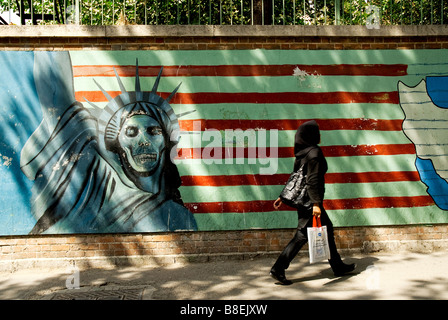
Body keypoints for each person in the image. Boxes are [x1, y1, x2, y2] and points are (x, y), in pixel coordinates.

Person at [270, 120, 355, 285]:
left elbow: (296, 178)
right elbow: (312, 180)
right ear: (311, 135)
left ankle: (337, 266)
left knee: (327, 229)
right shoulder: (314, 153)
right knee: (301, 235)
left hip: (305, 201)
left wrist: (283, 196)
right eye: (317, 132)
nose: (320, 135)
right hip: (310, 202)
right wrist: (316, 204)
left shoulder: (302, 153)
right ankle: (278, 268)